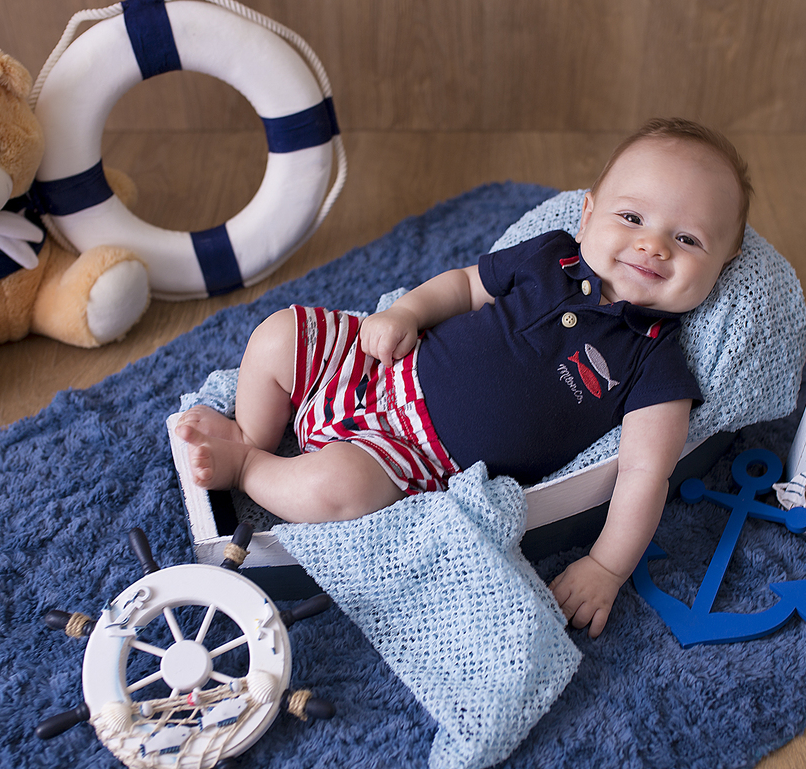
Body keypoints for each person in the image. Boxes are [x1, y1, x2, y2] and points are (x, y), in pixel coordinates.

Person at [176, 118, 752, 637]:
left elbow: (644, 476)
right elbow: (465, 286)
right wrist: (406, 314)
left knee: (335, 491)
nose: (653, 244)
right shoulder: (550, 256)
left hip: (409, 455)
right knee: (281, 333)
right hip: (381, 368)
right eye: (632, 217)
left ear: (723, 265)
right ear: (588, 212)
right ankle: (252, 433)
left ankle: (251, 467)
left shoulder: (656, 364)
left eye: (688, 240)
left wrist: (606, 566)